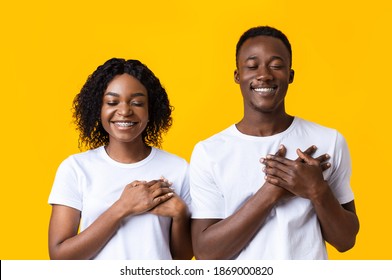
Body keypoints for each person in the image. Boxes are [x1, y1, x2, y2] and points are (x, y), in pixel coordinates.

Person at [190, 26, 359, 259]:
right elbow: (206, 252)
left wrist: (317, 189)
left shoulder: (329, 141)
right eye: (252, 66)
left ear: (290, 75)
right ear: (237, 75)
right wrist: (272, 191)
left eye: (276, 65)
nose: (264, 74)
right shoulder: (209, 152)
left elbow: (345, 240)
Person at [48, 58, 193, 260]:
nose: (124, 111)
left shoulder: (179, 168)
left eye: (137, 103)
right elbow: (60, 256)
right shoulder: (76, 169)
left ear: (150, 110)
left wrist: (180, 215)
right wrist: (123, 207)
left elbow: (181, 260)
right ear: (98, 110)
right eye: (112, 102)